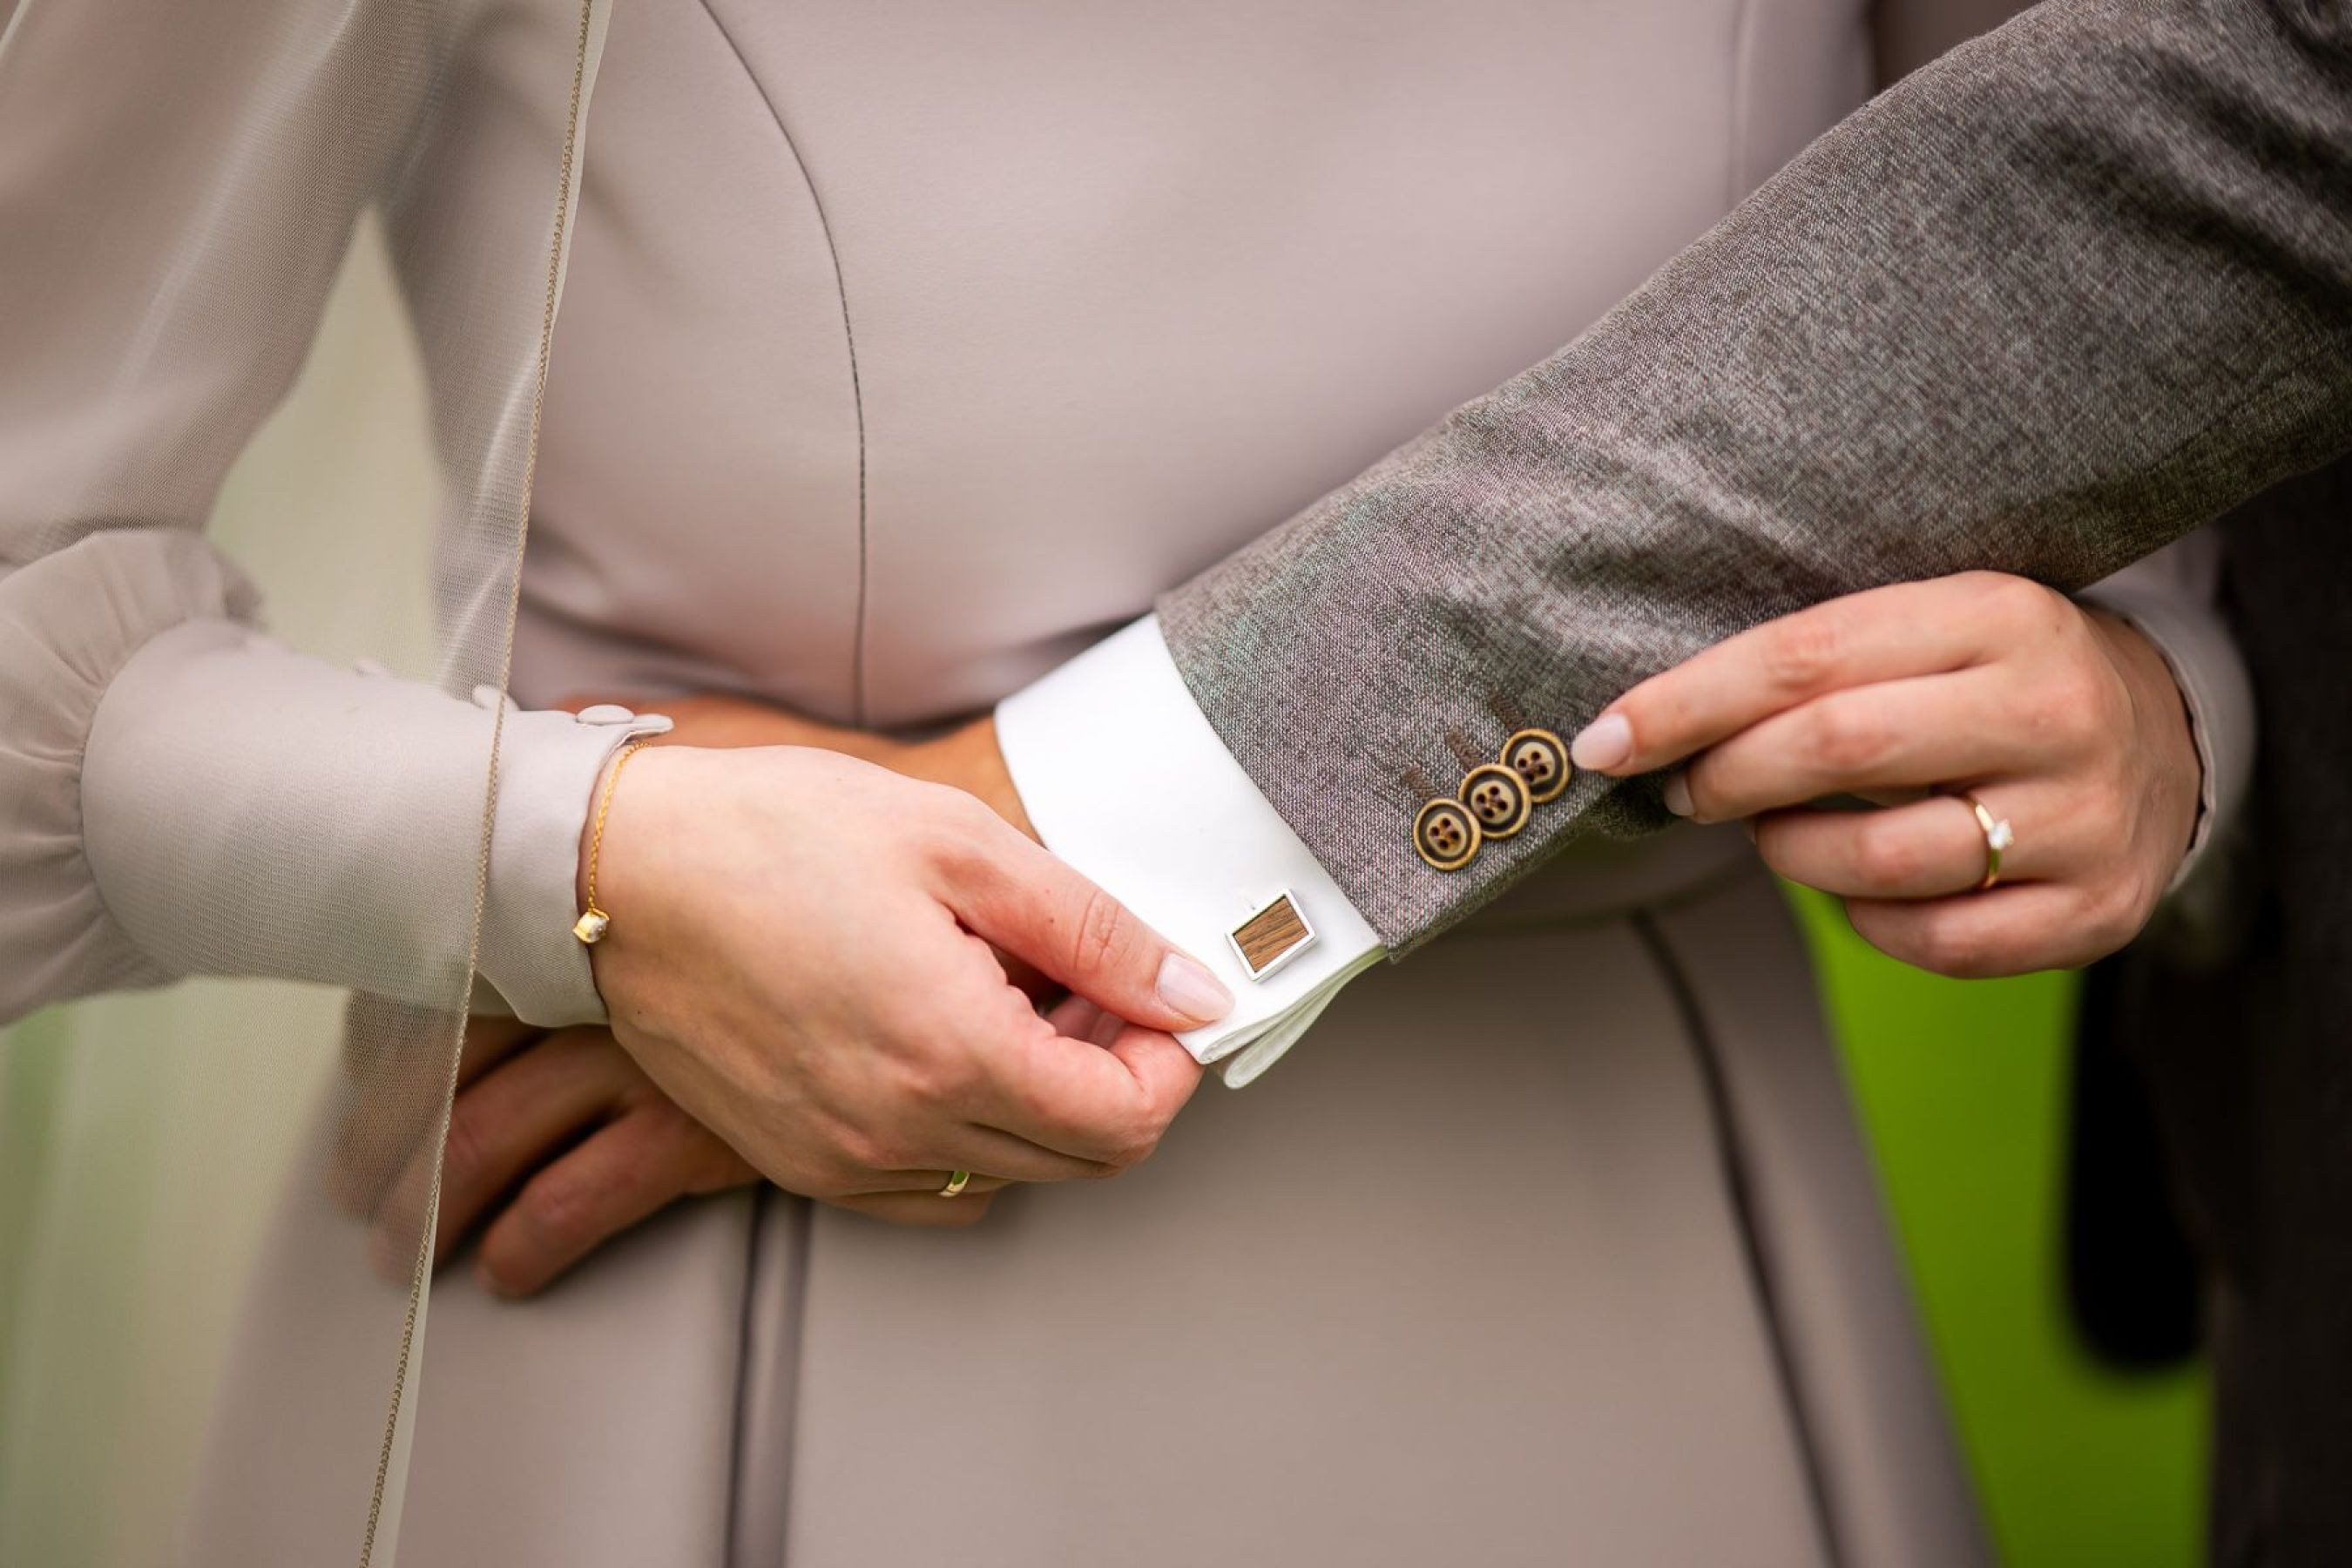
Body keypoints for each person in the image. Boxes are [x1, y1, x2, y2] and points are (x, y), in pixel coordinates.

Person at [0, 3, 2328, 1568]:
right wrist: (561, 854)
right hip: (734, 1243)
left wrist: (2154, 706)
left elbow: (2173, 227)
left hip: (1643, 1279)